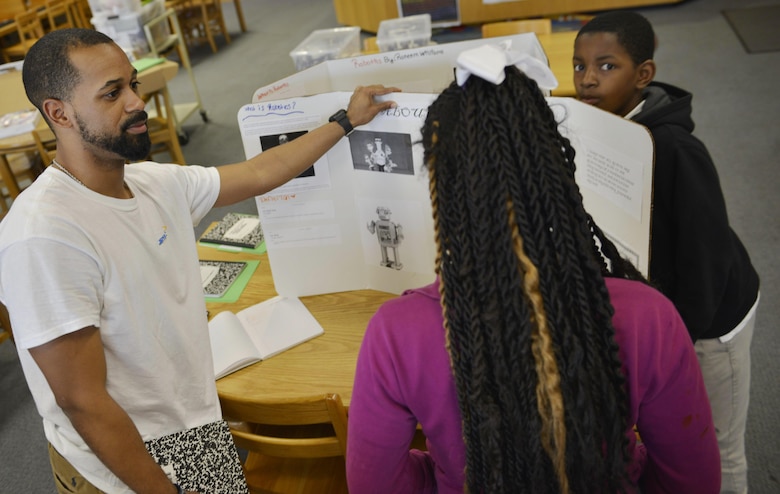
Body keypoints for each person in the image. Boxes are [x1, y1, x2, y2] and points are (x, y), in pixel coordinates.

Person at [0, 28, 398, 494]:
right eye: (112, 93)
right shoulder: (44, 235)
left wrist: (345, 121)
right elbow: (82, 401)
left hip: (194, 424)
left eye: (133, 84)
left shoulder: (151, 182)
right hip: (125, 464)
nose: (135, 102)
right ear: (58, 112)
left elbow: (257, 172)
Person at [346, 42, 720, 494]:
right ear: (555, 167)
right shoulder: (649, 318)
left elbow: (376, 486)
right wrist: (625, 462)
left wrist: (445, 470)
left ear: (441, 183)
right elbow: (692, 481)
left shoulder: (395, 333)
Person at [573, 12, 760, 494]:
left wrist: (679, 343)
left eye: (606, 66)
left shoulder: (677, 149)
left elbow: (708, 259)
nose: (588, 78)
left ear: (643, 75)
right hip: (666, 308)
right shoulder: (600, 125)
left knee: (719, 447)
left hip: (713, 323)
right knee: (675, 439)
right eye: (579, 66)